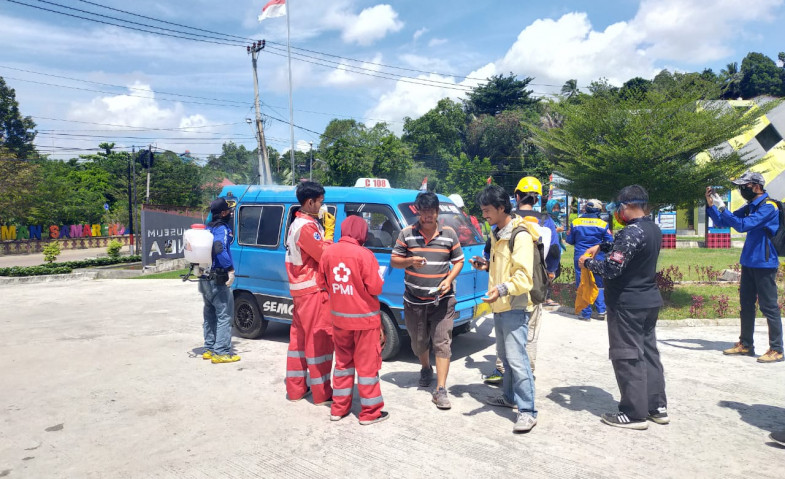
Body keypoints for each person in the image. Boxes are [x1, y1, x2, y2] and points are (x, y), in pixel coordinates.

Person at [579, 185, 668, 430]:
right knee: (649, 352)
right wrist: (604, 247)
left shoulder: (632, 232)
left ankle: (633, 413)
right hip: (648, 301)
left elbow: (612, 268)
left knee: (627, 355)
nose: (617, 213)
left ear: (626, 206)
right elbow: (629, 251)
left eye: (619, 207)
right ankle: (656, 407)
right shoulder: (652, 228)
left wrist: (587, 262)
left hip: (627, 304)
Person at [472, 184, 538, 433]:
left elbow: (523, 278)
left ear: (502, 208)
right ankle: (510, 398)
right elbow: (502, 269)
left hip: (514, 305)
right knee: (507, 360)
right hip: (499, 305)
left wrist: (499, 290)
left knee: (518, 360)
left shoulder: (520, 236)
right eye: (483, 210)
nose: (484, 215)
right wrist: (485, 266)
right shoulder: (497, 232)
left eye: (487, 210)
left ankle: (528, 411)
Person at [391, 191, 464, 410]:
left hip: (442, 300)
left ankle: (441, 390)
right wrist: (410, 260)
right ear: (418, 213)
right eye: (423, 212)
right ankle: (425, 368)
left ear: (437, 212)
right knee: (418, 341)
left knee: (442, 342)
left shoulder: (449, 234)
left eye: (431, 212)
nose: (427, 216)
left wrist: (449, 280)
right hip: (414, 300)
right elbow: (395, 261)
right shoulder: (407, 234)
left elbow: (458, 261)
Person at [706, 171, 783, 363]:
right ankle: (746, 344)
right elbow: (723, 222)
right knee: (746, 305)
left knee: (769, 307)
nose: (742, 189)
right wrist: (712, 206)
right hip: (749, 261)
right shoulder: (751, 206)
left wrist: (724, 208)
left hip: (764, 262)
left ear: (756, 186)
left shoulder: (768, 207)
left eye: (745, 185)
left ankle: (777, 349)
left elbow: (742, 226)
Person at [318, 216, 389, 425]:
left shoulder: (328, 252)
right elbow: (376, 288)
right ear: (362, 233)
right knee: (367, 368)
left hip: (340, 320)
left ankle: (338, 409)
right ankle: (370, 412)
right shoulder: (364, 255)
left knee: (342, 365)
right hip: (365, 322)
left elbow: (322, 282)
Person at [284, 181, 336, 404]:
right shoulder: (306, 227)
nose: (322, 207)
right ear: (309, 202)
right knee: (318, 343)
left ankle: (296, 390)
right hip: (312, 289)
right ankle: (321, 393)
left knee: (298, 342)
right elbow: (324, 255)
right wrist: (330, 233)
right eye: (320, 202)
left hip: (300, 290)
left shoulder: (299, 223)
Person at [200, 197, 240, 364]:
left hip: (203, 277)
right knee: (224, 315)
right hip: (218, 277)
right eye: (228, 211)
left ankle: (209, 348)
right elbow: (219, 248)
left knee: (209, 313)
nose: (230, 213)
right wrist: (230, 268)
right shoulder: (222, 229)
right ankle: (221, 352)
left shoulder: (207, 228)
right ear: (223, 213)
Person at [566, 199, 613, 321]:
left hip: (580, 257)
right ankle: (601, 310)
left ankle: (585, 314)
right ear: (598, 210)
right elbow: (610, 241)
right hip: (598, 255)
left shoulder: (575, 222)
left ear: (586, 208)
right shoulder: (602, 224)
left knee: (583, 282)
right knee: (598, 283)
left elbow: (570, 240)